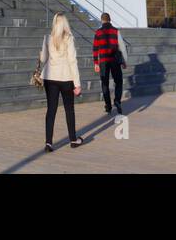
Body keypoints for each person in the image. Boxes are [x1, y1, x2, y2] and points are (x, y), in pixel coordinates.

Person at [40, 12, 84, 151]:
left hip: (50, 77)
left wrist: (41, 53)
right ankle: (73, 139)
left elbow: (43, 59)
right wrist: (77, 84)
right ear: (65, 23)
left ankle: (48, 143)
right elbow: (72, 61)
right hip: (66, 78)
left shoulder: (48, 38)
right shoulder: (69, 38)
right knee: (69, 109)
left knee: (51, 109)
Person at [92, 12, 126, 115]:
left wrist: (96, 63)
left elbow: (95, 48)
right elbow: (122, 47)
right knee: (118, 81)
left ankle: (108, 106)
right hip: (115, 60)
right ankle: (117, 100)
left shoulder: (98, 32)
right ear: (110, 20)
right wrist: (124, 61)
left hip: (103, 61)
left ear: (102, 20)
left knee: (105, 83)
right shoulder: (116, 31)